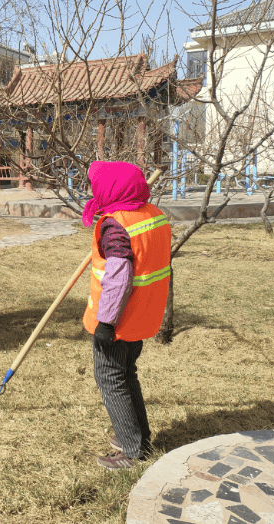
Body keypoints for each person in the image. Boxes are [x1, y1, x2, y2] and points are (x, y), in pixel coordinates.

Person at [81, 161, 171, 470]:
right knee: (125, 373)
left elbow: (119, 277)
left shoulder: (116, 224)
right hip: (143, 315)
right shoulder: (151, 215)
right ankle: (136, 436)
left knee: (111, 377)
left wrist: (105, 322)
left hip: (119, 319)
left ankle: (133, 451)